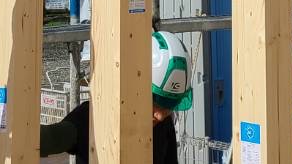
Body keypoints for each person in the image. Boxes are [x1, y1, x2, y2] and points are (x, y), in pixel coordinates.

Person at [38, 31, 190, 163]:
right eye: (157, 101)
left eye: (170, 104)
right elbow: (51, 138)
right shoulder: (91, 118)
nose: (160, 115)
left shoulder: (162, 124)